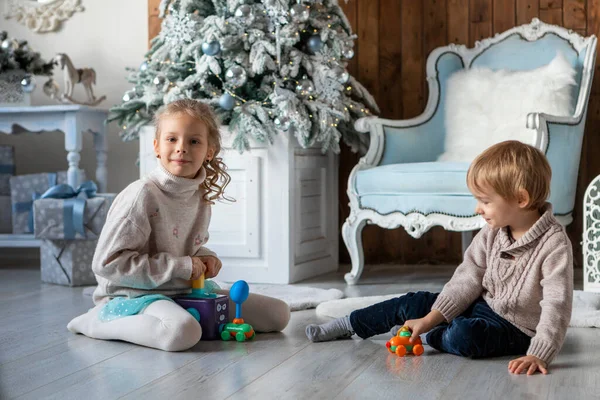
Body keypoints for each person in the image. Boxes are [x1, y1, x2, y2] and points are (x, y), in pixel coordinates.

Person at [306, 140, 573, 375]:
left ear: (521, 199)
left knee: (466, 335)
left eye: (485, 201)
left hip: (514, 330)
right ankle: (348, 324)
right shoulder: (492, 231)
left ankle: (432, 336)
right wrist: (431, 316)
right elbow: (467, 278)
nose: (477, 209)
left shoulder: (554, 245)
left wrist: (540, 352)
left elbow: (556, 306)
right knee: (414, 303)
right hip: (480, 305)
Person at [68, 99, 290, 351]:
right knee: (182, 333)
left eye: (194, 141)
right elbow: (106, 264)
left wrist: (206, 258)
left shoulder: (199, 194)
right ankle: (95, 323)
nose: (181, 148)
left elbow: (188, 248)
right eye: (172, 139)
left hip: (182, 291)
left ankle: (181, 316)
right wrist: (182, 266)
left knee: (278, 314)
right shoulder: (142, 195)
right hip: (135, 295)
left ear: (210, 150)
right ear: (157, 147)